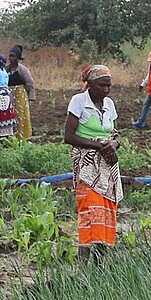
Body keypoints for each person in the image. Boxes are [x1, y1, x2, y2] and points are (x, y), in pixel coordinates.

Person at [64, 65, 123, 264]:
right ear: (89, 85)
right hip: (87, 167)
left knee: (106, 212)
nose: (106, 90)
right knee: (89, 212)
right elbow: (69, 136)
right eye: (102, 86)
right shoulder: (79, 101)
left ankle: (100, 264)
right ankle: (83, 264)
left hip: (107, 165)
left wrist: (112, 145)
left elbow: (116, 134)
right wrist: (98, 146)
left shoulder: (109, 105)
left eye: (109, 86)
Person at [6, 44, 36, 140]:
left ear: (18, 58)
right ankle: (12, 139)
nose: (11, 58)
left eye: (13, 56)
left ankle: (23, 138)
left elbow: (29, 83)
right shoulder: (7, 69)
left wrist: (23, 93)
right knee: (10, 118)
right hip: (9, 97)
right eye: (10, 56)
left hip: (20, 96)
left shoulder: (22, 70)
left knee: (21, 117)